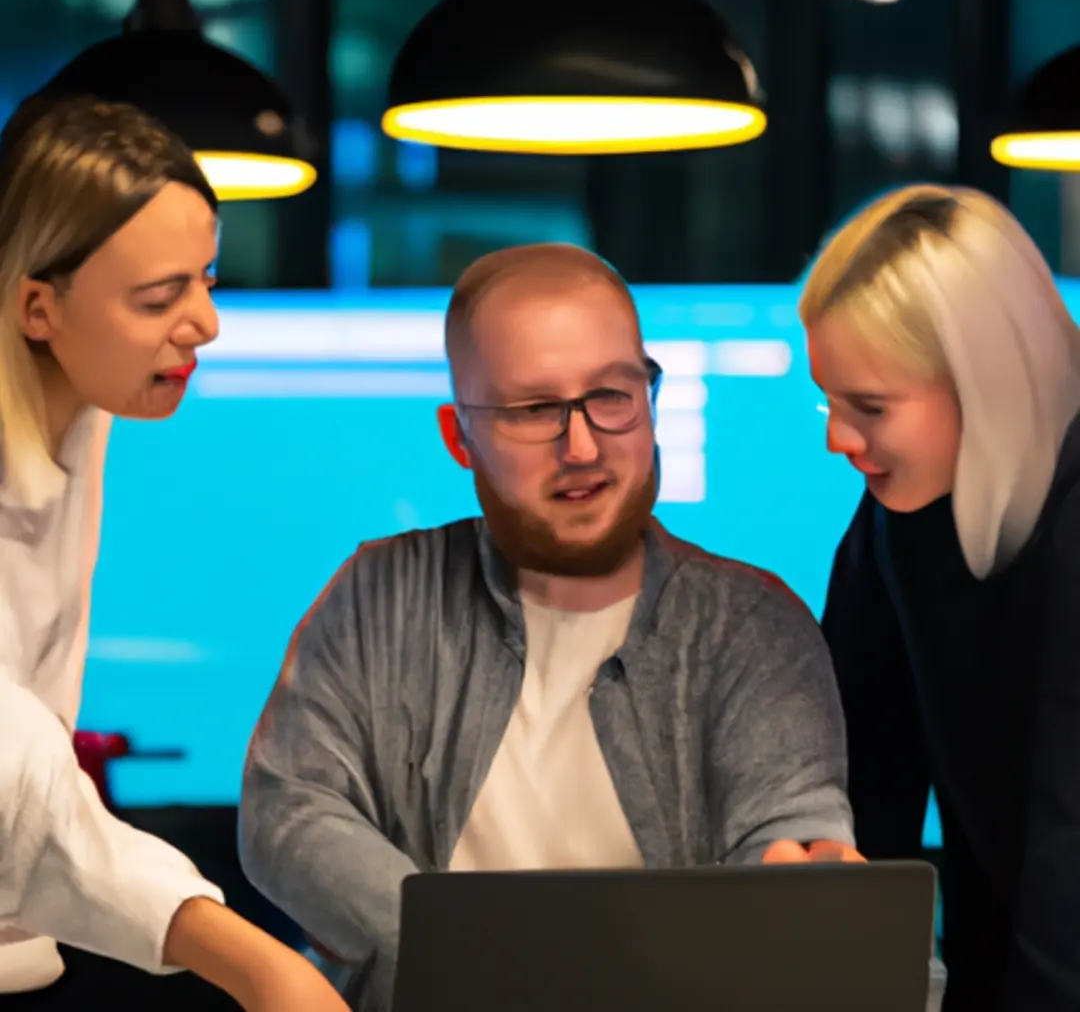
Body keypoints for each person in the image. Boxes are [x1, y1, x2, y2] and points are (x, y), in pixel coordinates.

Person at [239, 243, 861, 1011]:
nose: (583, 446)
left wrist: (801, 879)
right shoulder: (382, 594)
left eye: (611, 396)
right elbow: (289, 813)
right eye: (534, 410)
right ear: (458, 435)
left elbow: (789, 823)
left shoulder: (752, 625)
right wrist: (486, 951)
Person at [0, 95, 349, 1011]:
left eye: (208, 279)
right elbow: (16, 774)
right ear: (38, 306)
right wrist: (259, 964)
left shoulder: (83, 408)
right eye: (160, 297)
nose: (206, 323)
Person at [801, 183, 1080, 1011]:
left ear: (982, 381)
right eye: (829, 400)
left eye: (870, 408)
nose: (838, 440)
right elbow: (853, 763)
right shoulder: (904, 510)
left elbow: (1071, 847)